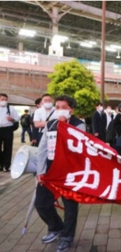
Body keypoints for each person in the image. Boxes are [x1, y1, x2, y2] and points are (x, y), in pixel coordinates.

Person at [34, 95, 85, 252]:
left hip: (70, 172)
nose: (59, 110)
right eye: (57, 107)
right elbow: (42, 148)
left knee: (70, 206)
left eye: (64, 107)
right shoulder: (50, 124)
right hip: (50, 170)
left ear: (72, 110)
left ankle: (67, 236)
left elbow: (77, 147)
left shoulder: (79, 125)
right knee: (41, 203)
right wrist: (40, 171)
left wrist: (64, 127)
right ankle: (56, 227)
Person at [0, 93, 20, 172]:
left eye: (5, 100)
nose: (4, 101)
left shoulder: (11, 108)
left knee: (8, 148)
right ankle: (0, 164)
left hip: (8, 129)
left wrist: (12, 119)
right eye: (2, 99)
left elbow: (17, 118)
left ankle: (6, 165)